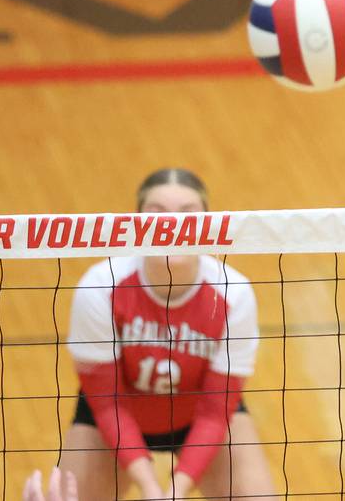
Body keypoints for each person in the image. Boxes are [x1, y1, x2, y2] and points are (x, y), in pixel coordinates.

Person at [61, 168, 276, 501]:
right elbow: (107, 405)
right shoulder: (100, 287)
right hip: (116, 412)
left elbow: (215, 411)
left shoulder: (234, 295)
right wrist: (150, 487)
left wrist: (175, 490)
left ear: (208, 226)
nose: (171, 226)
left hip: (202, 413)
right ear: (136, 226)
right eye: (156, 214)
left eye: (187, 214)